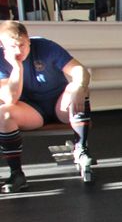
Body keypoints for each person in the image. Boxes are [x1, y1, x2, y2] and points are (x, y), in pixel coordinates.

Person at [0, 21, 92, 193]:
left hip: (59, 104)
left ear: (29, 40)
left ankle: (81, 149)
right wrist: (17, 67)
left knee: (78, 88)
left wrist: (79, 86)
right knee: (3, 113)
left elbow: (80, 70)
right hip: (31, 110)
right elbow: (10, 98)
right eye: (13, 46)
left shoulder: (45, 46)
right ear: (3, 46)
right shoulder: (0, 58)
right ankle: (16, 173)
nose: (19, 51)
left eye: (22, 45)